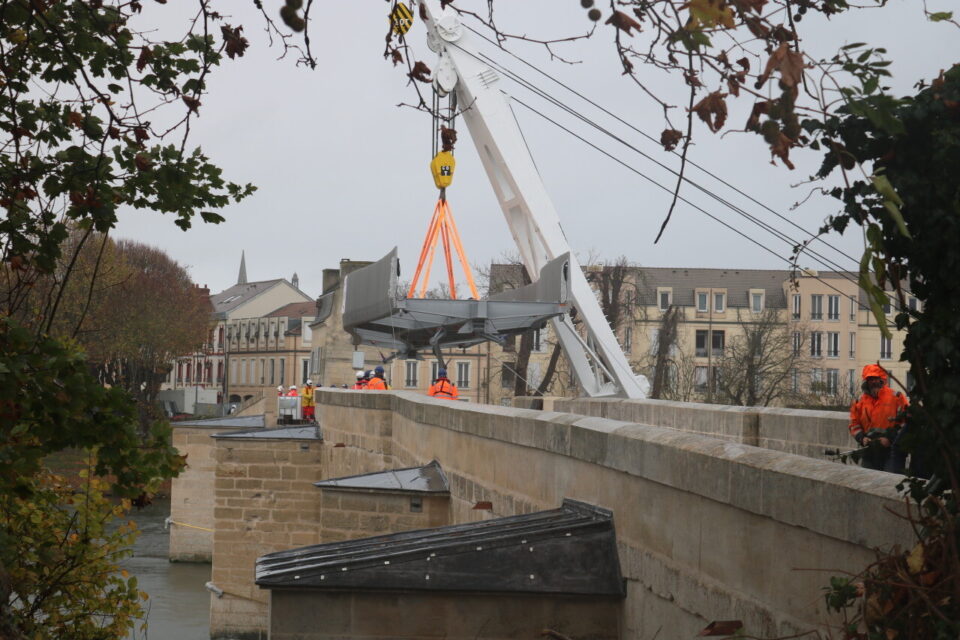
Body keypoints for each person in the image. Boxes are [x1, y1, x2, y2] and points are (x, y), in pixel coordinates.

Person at [848, 364, 908, 472]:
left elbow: (905, 423)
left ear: (882, 379)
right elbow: (854, 424)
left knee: (890, 483)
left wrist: (890, 438)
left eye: (876, 378)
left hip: (891, 451)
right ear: (866, 381)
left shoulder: (896, 397)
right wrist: (862, 438)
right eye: (870, 379)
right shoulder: (859, 402)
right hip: (869, 451)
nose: (873, 382)